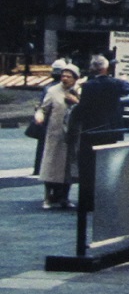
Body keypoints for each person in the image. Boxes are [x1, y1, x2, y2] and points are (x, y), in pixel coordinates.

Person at [69, 54, 129, 211]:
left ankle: (87, 201)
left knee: (88, 167)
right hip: (110, 130)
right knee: (106, 166)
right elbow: (128, 89)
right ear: (106, 68)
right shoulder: (115, 84)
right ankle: (104, 200)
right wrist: (123, 79)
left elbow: (83, 108)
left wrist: (73, 121)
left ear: (93, 68)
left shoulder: (89, 86)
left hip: (91, 129)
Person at [36, 63, 81, 209]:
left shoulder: (78, 92)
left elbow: (85, 110)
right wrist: (39, 117)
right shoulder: (53, 91)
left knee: (68, 169)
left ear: (75, 78)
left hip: (71, 136)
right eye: (63, 76)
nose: (65, 78)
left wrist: (76, 101)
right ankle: (47, 198)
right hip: (55, 135)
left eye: (69, 76)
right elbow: (43, 109)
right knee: (51, 167)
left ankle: (64, 198)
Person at [31, 59, 67, 175]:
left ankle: (38, 168)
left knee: (42, 146)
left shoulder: (47, 87)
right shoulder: (65, 88)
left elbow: (42, 105)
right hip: (58, 119)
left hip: (46, 120)